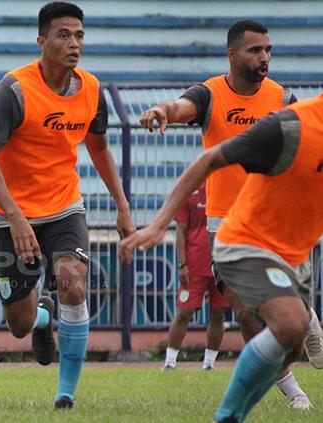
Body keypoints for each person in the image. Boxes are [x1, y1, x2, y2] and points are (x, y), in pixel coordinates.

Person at [139, 19, 317, 408]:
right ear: (232, 54)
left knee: (285, 327)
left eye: (268, 50)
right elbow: (181, 106)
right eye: (255, 50)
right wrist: (162, 110)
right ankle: (292, 391)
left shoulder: (283, 99)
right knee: (243, 310)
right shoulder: (210, 94)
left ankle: (302, 316)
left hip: (276, 224)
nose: (265, 57)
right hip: (227, 227)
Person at [0, 2, 134, 410]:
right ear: (42, 41)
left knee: (73, 282)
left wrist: (122, 205)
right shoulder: (14, 89)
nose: (74, 43)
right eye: (64, 35)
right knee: (19, 324)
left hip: (64, 207)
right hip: (10, 214)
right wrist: (15, 218)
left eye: (79, 35)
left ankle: (66, 394)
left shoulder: (93, 89)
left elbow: (98, 148)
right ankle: (43, 317)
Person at [163, 184, 229, 372]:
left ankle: (208, 364)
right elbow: (180, 231)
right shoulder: (191, 193)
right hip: (194, 268)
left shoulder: (226, 193)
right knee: (184, 312)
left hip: (221, 266)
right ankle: (169, 362)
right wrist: (182, 264)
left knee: (218, 315)